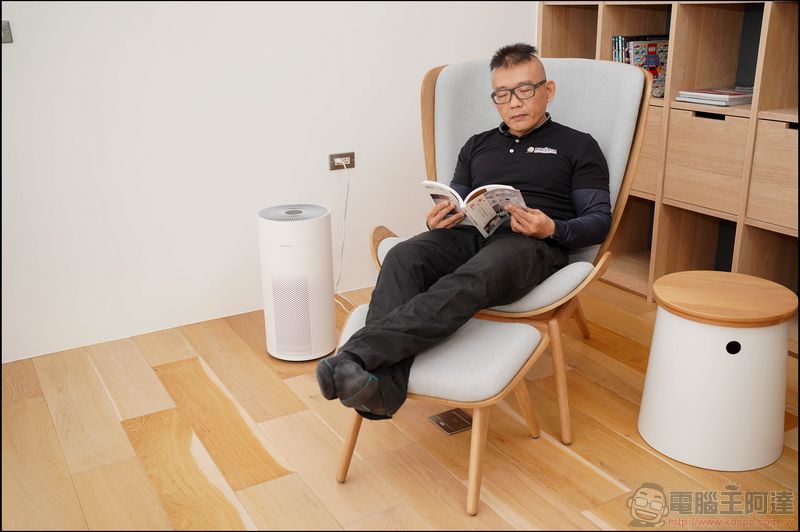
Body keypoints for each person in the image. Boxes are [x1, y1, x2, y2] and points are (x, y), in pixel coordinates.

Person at [316, 43, 612, 419]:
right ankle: (380, 394)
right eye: (502, 94)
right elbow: (456, 198)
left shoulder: (578, 145)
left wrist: (551, 227)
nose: (514, 103)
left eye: (525, 90)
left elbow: (598, 220)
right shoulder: (477, 145)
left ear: (547, 90)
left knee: (482, 269)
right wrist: (438, 218)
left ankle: (355, 356)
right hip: (471, 234)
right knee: (404, 255)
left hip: (532, 244)